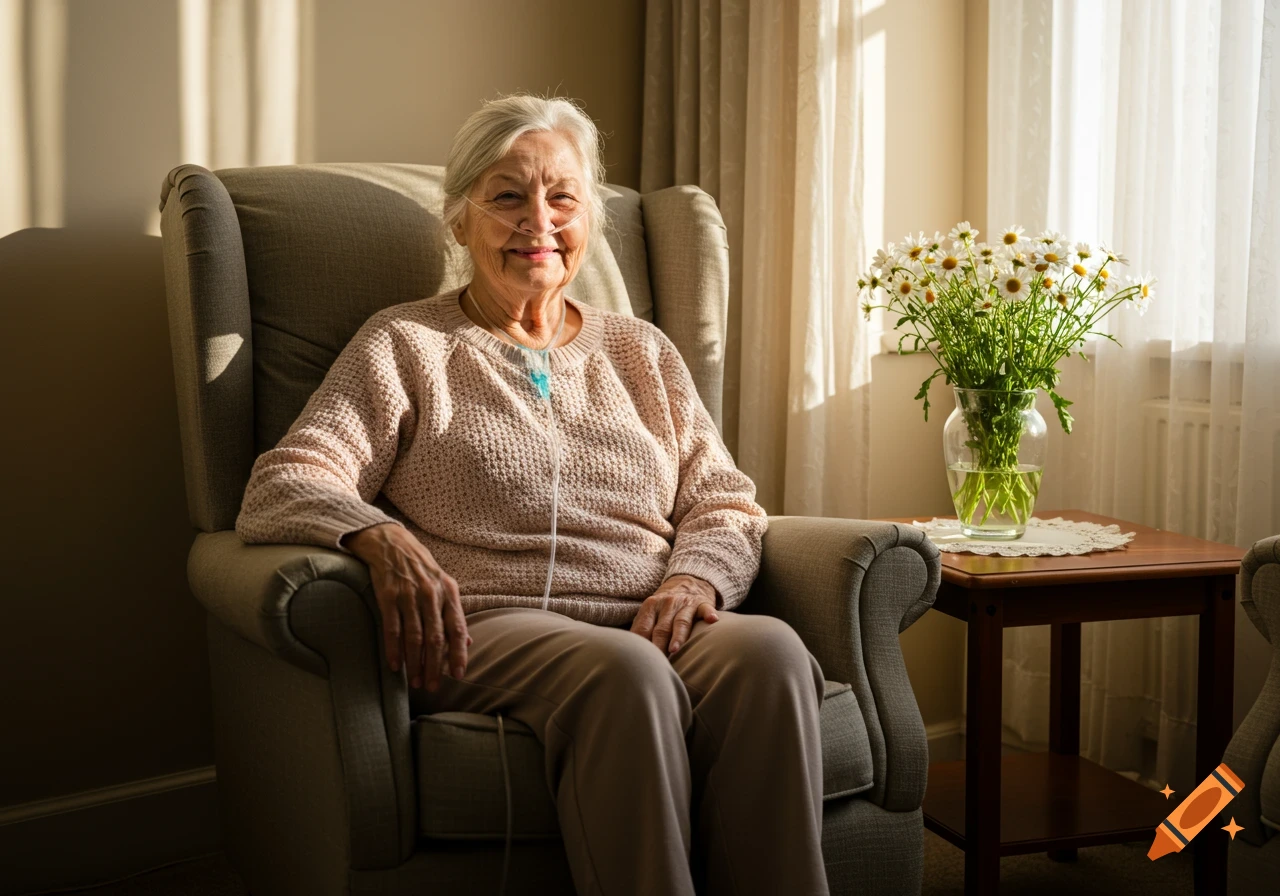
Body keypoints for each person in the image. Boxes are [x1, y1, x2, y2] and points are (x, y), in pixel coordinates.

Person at [235, 94, 829, 896]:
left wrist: (695, 579)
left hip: (648, 615)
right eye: (507, 195)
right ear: (460, 219)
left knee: (770, 653)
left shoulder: (640, 351)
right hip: (487, 627)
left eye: (561, 196)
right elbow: (286, 479)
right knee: (626, 673)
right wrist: (376, 536)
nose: (536, 220)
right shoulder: (407, 344)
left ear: (590, 218)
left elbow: (722, 499)